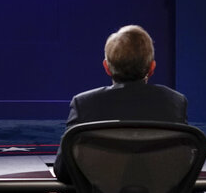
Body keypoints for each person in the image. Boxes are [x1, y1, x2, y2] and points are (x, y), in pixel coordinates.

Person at [53, 25, 187, 182]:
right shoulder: (175, 102)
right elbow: (182, 167)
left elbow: (64, 171)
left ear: (107, 68)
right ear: (152, 68)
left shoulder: (84, 104)